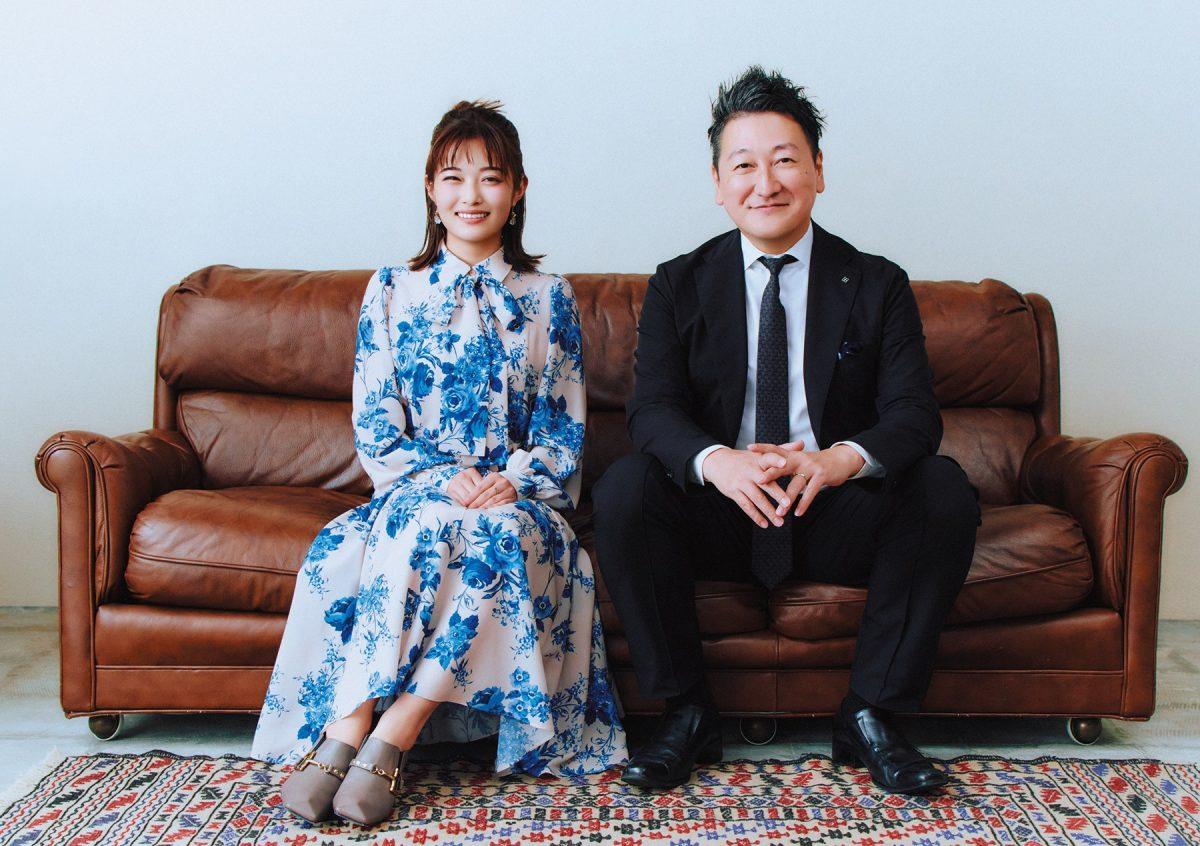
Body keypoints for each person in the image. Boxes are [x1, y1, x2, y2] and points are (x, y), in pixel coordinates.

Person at [592, 67, 980, 795]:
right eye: (743, 165)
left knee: (941, 488)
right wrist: (719, 462)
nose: (765, 182)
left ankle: (871, 714)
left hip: (829, 506)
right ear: (718, 183)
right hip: (722, 510)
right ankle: (686, 712)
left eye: (784, 160)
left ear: (818, 171)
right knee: (625, 489)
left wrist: (839, 460)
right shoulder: (679, 283)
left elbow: (913, 415)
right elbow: (652, 411)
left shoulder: (876, 282)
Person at [252, 100, 627, 827]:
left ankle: (385, 735)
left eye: (491, 177)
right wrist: (437, 477)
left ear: (518, 190)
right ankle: (351, 727)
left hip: (517, 501)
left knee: (492, 536)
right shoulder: (390, 290)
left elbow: (562, 429)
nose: (471, 195)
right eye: (453, 177)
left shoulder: (550, 297)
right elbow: (375, 424)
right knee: (424, 526)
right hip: (417, 491)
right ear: (430, 188)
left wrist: (511, 480)